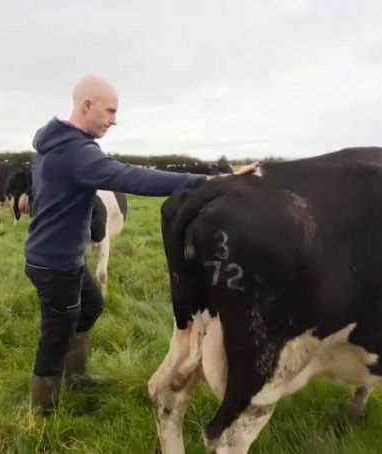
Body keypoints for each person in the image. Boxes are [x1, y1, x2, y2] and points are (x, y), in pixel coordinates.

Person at [24, 75, 250, 412]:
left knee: (91, 307)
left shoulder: (54, 144)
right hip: (55, 263)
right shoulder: (76, 152)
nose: (114, 120)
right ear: (87, 106)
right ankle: (43, 410)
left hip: (58, 256)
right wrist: (209, 182)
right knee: (56, 333)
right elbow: (130, 177)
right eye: (110, 111)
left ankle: (76, 373)